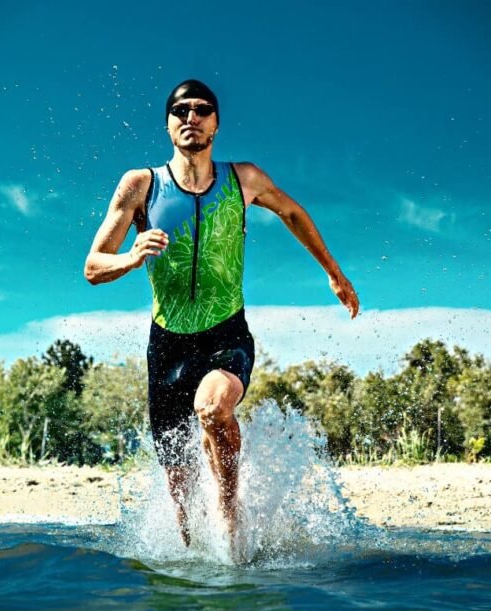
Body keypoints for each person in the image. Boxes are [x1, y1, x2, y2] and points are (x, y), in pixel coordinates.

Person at [84, 79, 359, 549]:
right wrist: (130, 257)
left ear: (215, 123)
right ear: (169, 123)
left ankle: (233, 527)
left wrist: (333, 272)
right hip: (167, 344)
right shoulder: (141, 185)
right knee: (183, 503)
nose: (191, 117)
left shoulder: (242, 179)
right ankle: (196, 559)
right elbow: (93, 267)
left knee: (212, 408)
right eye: (181, 110)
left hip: (224, 332)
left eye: (202, 110)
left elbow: (292, 213)